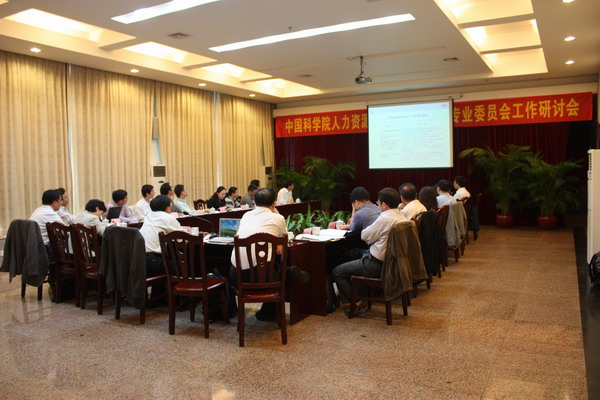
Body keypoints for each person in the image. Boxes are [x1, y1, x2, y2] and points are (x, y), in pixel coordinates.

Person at [230, 188, 308, 320]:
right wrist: (276, 213)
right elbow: (286, 238)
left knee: (275, 268)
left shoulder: (246, 215)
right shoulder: (277, 218)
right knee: (284, 276)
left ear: (254, 202)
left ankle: (288, 272)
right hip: (260, 277)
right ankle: (267, 313)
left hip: (236, 276)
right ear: (274, 203)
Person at [332, 188, 406, 314]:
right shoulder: (401, 216)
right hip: (394, 263)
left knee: (337, 271)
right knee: (352, 254)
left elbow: (364, 235)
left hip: (377, 264)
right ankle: (360, 293)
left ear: (384, 204)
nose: (378, 205)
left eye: (378, 203)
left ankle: (354, 305)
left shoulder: (385, 218)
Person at [139, 195, 184, 301]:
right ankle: (180, 299)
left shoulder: (149, 216)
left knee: (166, 260)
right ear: (167, 207)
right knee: (179, 265)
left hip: (139, 259)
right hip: (152, 261)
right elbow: (181, 239)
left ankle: (158, 299)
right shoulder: (167, 218)